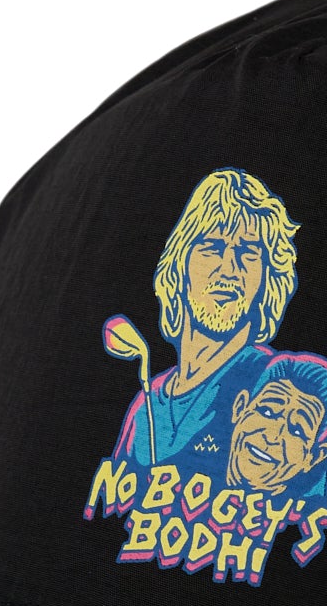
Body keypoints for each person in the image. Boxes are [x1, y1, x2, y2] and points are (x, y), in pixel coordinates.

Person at [112, 168, 299, 478]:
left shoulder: (274, 391)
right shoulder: (146, 404)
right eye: (212, 247)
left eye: (248, 253)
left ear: (267, 277)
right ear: (180, 265)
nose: (229, 269)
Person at [224, 353, 327, 503]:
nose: (272, 437)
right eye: (267, 412)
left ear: (314, 457)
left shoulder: (305, 511)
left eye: (297, 431)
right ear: (240, 407)